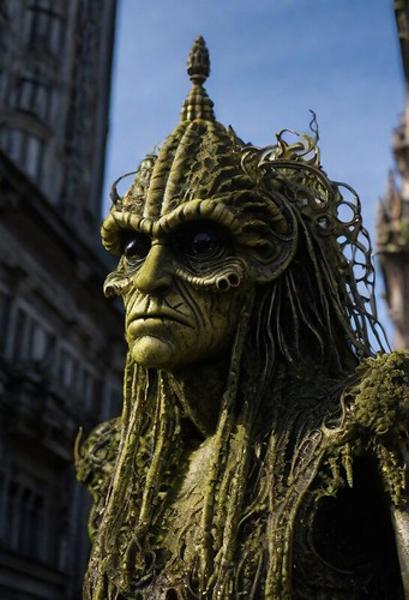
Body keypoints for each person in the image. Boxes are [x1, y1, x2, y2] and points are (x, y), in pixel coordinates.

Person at [76, 37, 409, 599]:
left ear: (267, 259)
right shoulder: (123, 472)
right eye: (133, 248)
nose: (150, 278)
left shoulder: (356, 435)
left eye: (200, 244)